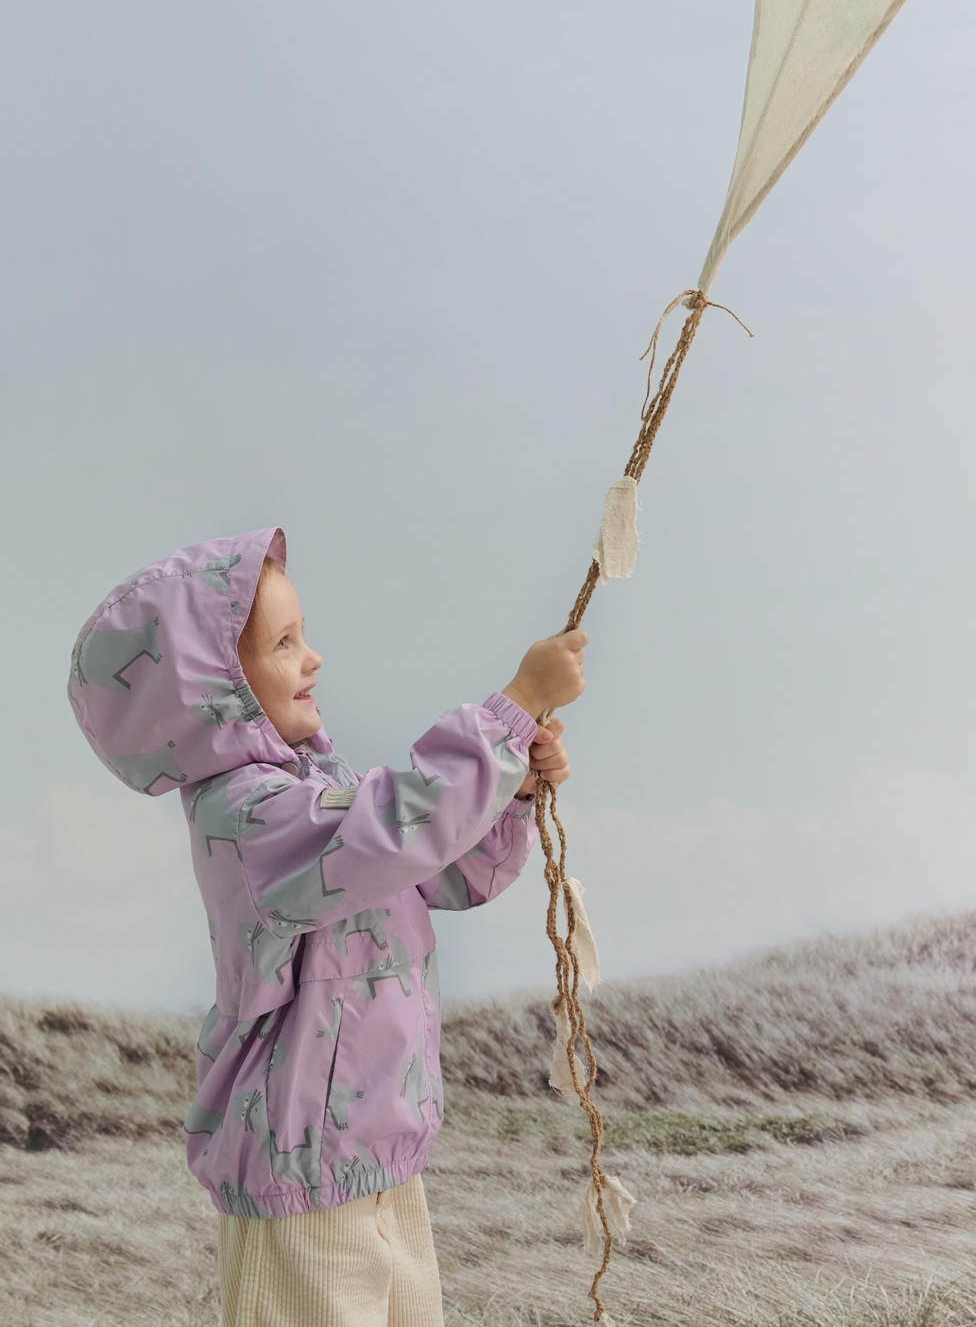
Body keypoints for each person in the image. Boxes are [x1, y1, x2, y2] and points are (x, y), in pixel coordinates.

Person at [67, 526, 587, 1327]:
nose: (313, 658)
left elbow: (445, 870)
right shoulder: (250, 815)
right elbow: (394, 832)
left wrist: (511, 793)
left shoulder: (319, 790)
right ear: (211, 690)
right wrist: (511, 713)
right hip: (298, 1178)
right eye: (283, 643)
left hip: (380, 1155)